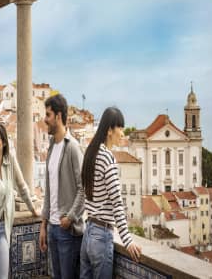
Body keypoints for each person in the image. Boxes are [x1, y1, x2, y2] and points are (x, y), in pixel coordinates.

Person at [80, 107, 142, 279]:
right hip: (101, 236)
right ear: (109, 130)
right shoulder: (108, 159)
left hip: (88, 234)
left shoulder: (90, 153)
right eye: (120, 128)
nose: (122, 133)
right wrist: (128, 240)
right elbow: (117, 203)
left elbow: (82, 191)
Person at [0, 122, 39, 279]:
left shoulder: (10, 161)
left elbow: (22, 186)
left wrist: (32, 209)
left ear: (4, 142)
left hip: (3, 230)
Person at [39, 94, 84, 279]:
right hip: (53, 228)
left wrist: (70, 217)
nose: (45, 119)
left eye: (48, 115)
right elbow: (49, 190)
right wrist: (44, 224)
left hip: (67, 230)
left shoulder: (72, 147)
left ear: (58, 116)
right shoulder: (51, 146)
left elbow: (84, 188)